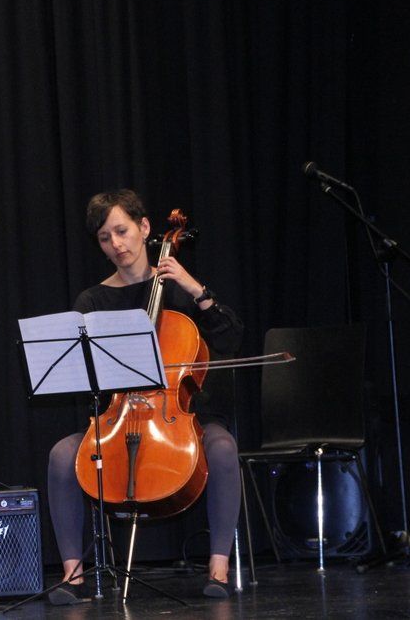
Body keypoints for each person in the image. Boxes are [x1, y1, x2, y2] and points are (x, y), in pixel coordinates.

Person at [46, 189, 244, 604]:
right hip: (117, 417)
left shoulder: (179, 290)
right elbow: (81, 374)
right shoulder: (93, 301)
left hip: (180, 414)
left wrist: (195, 289)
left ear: (145, 227)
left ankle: (219, 568)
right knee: (62, 456)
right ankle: (73, 574)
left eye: (122, 231)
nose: (116, 244)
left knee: (223, 447)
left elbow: (230, 339)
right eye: (105, 238)